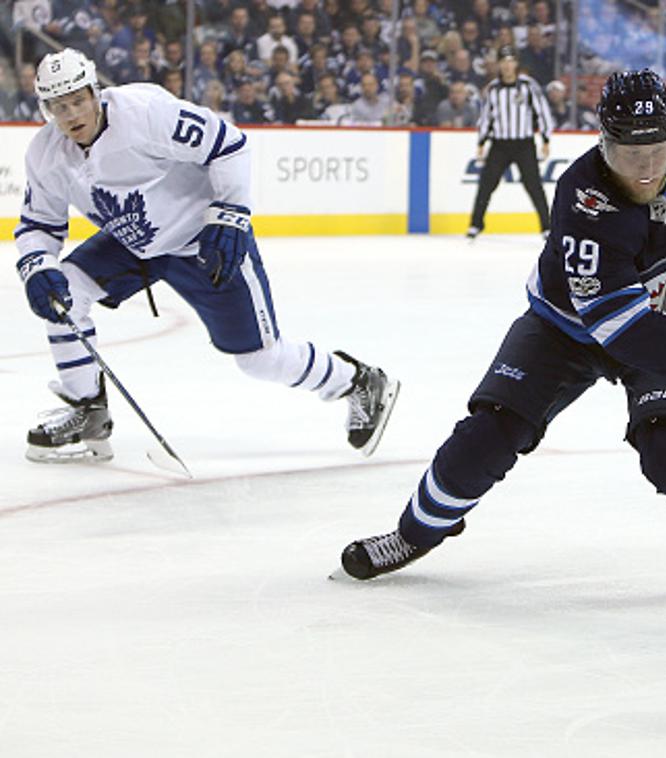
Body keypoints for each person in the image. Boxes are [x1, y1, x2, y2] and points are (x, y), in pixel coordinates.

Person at [339, 70, 666, 600]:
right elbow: (620, 326)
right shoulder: (583, 197)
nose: (648, 167)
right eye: (631, 155)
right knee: (483, 440)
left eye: (660, 149)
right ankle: (414, 534)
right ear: (603, 145)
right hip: (565, 329)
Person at [15, 49, 399, 463]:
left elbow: (228, 143)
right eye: (59, 106)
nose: (71, 114)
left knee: (259, 360)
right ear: (46, 109)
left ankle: (356, 382)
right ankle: (86, 408)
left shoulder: (145, 115)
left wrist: (231, 213)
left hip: (204, 241)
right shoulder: (46, 154)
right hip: (136, 239)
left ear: (95, 92)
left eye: (77, 100)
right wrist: (37, 265)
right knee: (64, 293)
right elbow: (38, 225)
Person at [465, 45, 553, 240]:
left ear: (516, 63)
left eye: (511, 61)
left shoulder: (528, 86)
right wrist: (481, 141)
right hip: (500, 144)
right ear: (498, 64)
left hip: (524, 143)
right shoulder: (494, 90)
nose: (507, 65)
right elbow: (486, 117)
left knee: (534, 185)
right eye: (504, 61)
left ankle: (547, 226)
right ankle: (475, 224)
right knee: (487, 184)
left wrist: (545, 138)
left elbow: (542, 112)